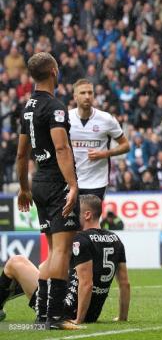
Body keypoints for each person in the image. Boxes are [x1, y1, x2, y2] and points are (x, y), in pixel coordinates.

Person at [16, 52, 80, 329]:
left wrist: (23, 188)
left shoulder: (28, 107)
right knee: (61, 253)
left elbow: (21, 154)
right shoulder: (55, 107)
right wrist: (73, 184)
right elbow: (62, 147)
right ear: (54, 70)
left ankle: (44, 314)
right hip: (56, 181)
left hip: (38, 181)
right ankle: (55, 316)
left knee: (53, 250)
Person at [0, 194, 130, 324]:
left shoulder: (80, 240)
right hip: (91, 314)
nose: (71, 216)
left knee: (15, 262)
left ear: (87, 215)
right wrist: (122, 317)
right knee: (44, 270)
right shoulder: (115, 239)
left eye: (75, 212)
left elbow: (87, 284)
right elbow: (125, 284)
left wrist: (78, 320)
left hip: (63, 311)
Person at [69, 79, 130, 201]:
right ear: (75, 97)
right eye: (83, 93)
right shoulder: (66, 119)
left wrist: (105, 154)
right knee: (71, 220)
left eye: (90, 93)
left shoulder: (106, 119)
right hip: (71, 182)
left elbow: (126, 145)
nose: (87, 96)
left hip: (97, 182)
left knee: (90, 220)